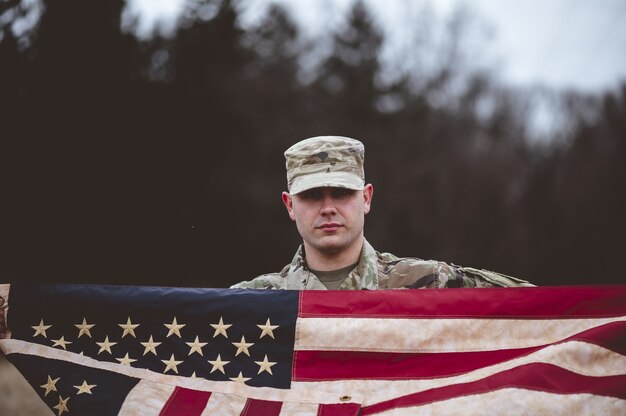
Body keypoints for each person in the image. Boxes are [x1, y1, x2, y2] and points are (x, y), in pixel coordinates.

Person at [232, 136, 533, 290]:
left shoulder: (429, 283)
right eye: (311, 196)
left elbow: (545, 311)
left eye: (341, 193)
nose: (327, 208)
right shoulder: (252, 302)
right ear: (289, 206)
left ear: (366, 198)